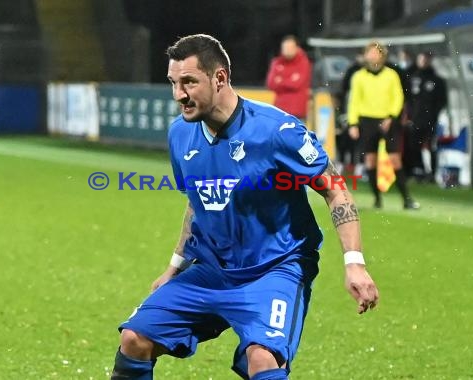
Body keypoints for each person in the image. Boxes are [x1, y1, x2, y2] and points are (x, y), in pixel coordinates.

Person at [110, 34, 379, 380]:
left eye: (189, 82)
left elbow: (336, 190)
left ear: (219, 78)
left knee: (263, 359)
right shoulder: (180, 134)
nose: (179, 95)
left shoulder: (276, 130)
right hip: (212, 270)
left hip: (274, 269)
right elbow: (198, 202)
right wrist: (174, 267)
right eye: (174, 83)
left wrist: (354, 263)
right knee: (134, 338)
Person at [347, 41, 419, 209]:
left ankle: (406, 198)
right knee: (371, 160)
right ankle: (377, 199)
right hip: (367, 120)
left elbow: (398, 97)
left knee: (395, 158)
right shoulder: (359, 76)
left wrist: (391, 117)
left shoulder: (391, 75)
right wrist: (353, 123)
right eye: (370, 52)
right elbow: (354, 101)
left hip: (388, 120)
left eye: (376, 52)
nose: (373, 56)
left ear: (383, 55)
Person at [408, 52, 448, 181]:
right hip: (415, 120)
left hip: (431, 120)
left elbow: (442, 100)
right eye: (421, 59)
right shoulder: (412, 78)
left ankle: (432, 174)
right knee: (414, 146)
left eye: (426, 59)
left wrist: (434, 114)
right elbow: (408, 99)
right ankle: (419, 171)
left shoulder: (437, 80)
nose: (423, 62)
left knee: (431, 146)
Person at [265, 35, 312, 122]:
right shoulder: (277, 62)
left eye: (290, 48)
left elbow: (296, 84)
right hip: (279, 111)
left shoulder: (304, 62)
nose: (287, 50)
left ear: (296, 48)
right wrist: (290, 80)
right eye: (285, 48)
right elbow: (270, 84)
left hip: (297, 113)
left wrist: (280, 80)